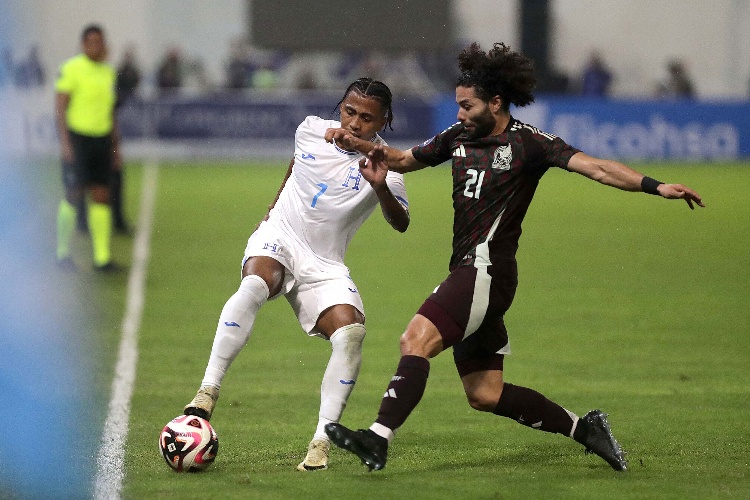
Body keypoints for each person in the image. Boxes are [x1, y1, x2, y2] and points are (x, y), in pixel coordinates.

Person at [323, 42, 705, 473]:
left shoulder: (530, 144)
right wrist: (356, 143)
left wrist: (657, 186)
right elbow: (402, 159)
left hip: (486, 270)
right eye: (458, 106)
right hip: (473, 274)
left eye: (467, 106)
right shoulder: (458, 136)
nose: (460, 114)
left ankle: (377, 438)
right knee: (484, 394)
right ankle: (585, 428)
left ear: (496, 103)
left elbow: (597, 167)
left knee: (416, 340)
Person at [183, 78, 410, 472]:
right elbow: (293, 167)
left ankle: (321, 441)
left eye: (367, 118)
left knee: (351, 334)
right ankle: (207, 391)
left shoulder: (386, 169)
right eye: (349, 111)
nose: (354, 123)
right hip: (280, 237)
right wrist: (270, 215)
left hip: (324, 265)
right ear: (340, 106)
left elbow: (401, 222)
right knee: (254, 284)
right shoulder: (310, 129)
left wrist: (380, 189)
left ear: (384, 120)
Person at [55, 24, 122, 272]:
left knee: (102, 196)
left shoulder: (108, 73)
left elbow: (111, 112)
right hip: (78, 140)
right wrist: (65, 143)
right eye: (91, 41)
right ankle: (62, 253)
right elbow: (60, 107)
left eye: (99, 41)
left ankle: (101, 258)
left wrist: (116, 146)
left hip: (102, 141)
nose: (96, 45)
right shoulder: (71, 68)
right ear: (83, 44)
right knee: (74, 193)